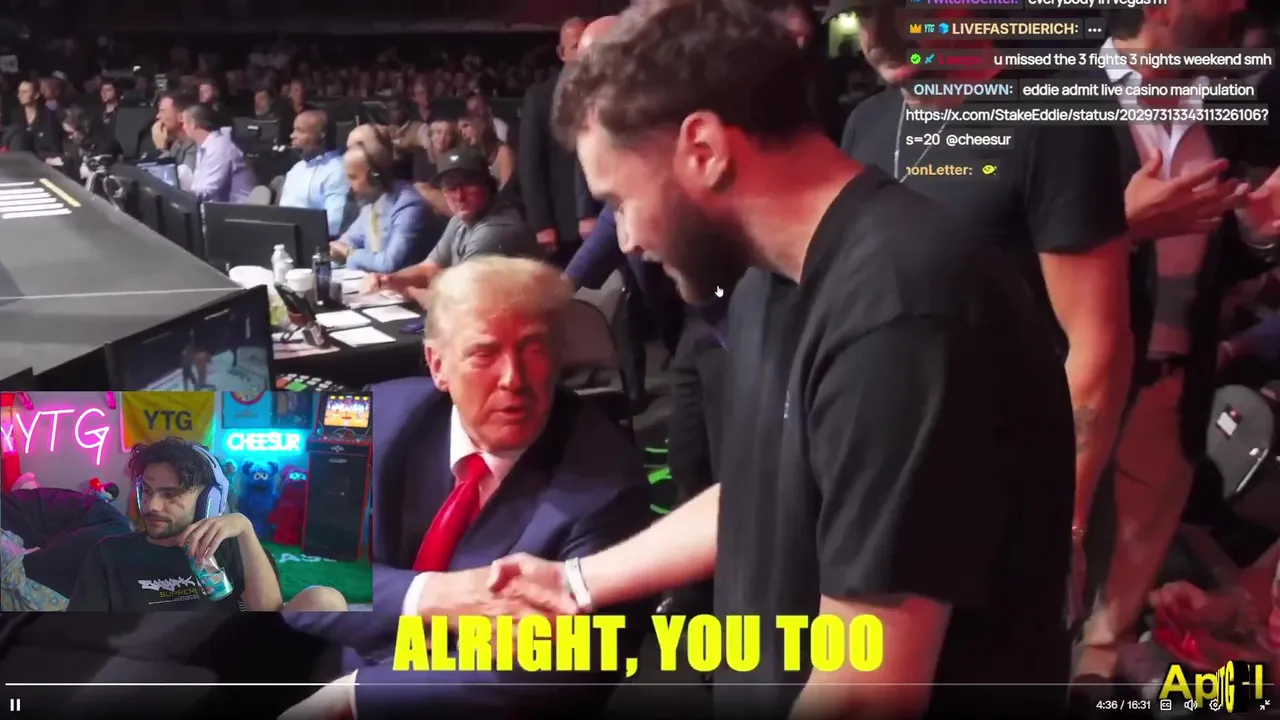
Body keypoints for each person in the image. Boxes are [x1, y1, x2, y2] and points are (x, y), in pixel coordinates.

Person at [490, 2, 1077, 716]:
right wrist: (575, 584)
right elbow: (765, 491)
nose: (629, 239)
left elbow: (866, 691)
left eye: (621, 200)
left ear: (703, 148)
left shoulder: (901, 311)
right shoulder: (767, 283)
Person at [835, 0, 1135, 624]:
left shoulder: (1050, 122)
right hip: (889, 485)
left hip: (1010, 489)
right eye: (863, 15)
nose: (876, 35)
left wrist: (1066, 521)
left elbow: (1097, 343)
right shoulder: (867, 123)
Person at [280, 257, 653, 720]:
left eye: (533, 349)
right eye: (484, 354)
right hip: (354, 660)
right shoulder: (367, 414)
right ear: (438, 365)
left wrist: (358, 696)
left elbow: (567, 665)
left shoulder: (608, 483)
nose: (514, 379)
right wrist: (431, 596)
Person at [1073, 0, 1280, 692]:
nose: (1237, 6)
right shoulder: (1057, 97)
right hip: (1072, 393)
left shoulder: (1227, 106)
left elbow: (1217, 261)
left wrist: (1256, 233)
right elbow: (1000, 254)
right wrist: (1120, 229)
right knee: (1035, 589)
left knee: (1113, 617)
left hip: (1173, 397)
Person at [66, 437, 346, 613]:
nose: (151, 506)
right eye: (147, 491)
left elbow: (268, 612)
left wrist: (245, 529)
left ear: (209, 500)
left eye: (170, 494)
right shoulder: (110, 554)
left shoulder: (230, 547)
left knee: (326, 600)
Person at [362, 146, 540, 303]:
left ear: (488, 185)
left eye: (468, 185)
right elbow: (429, 269)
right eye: (451, 188)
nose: (459, 196)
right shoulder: (460, 219)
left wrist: (410, 291)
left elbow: (457, 297)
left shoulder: (497, 229)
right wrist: (389, 280)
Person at [519, 16, 588, 260]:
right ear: (562, 53)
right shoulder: (540, 97)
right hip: (562, 223)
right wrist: (541, 223)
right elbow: (530, 164)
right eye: (577, 45)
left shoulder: (610, 93)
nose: (586, 52)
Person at [331, 133, 433, 273]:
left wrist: (350, 253)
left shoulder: (409, 207)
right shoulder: (371, 204)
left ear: (374, 177)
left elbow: (389, 264)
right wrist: (338, 251)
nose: (350, 186)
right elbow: (344, 243)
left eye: (353, 177)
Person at [279, 109, 349, 237]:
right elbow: (282, 213)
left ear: (321, 135)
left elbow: (333, 224)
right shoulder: (296, 169)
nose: (292, 136)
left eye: (300, 131)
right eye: (294, 130)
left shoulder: (338, 170)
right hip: (286, 237)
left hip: (319, 242)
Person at [184, 102, 256, 204]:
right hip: (220, 208)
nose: (183, 127)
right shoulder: (204, 147)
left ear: (193, 124)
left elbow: (210, 190)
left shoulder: (219, 146)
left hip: (240, 209)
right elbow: (198, 184)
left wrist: (181, 194)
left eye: (184, 123)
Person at [458, 111, 514, 189]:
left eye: (466, 126)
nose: (463, 133)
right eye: (460, 130)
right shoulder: (471, 156)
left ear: (480, 124)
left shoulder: (504, 152)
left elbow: (507, 189)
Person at [15, 80, 62, 160]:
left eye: (25, 92)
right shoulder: (15, 115)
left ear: (36, 95)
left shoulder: (49, 117)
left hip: (44, 161)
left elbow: (54, 146)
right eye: (19, 91)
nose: (20, 95)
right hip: (19, 161)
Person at [154, 91, 198, 171]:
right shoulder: (176, 144)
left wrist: (162, 149)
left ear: (180, 116)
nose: (157, 116)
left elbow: (180, 177)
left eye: (162, 111)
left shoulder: (194, 146)